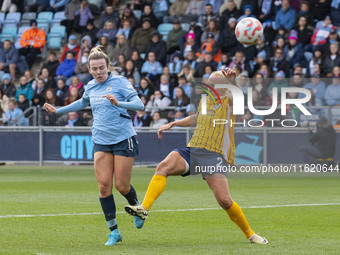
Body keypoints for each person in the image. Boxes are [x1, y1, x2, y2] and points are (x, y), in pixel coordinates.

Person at [125, 68, 268, 245]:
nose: (210, 85)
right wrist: (173, 123)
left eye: (215, 83)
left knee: (224, 200)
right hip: (193, 149)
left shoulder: (229, 102)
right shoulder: (206, 100)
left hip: (213, 154)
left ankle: (251, 234)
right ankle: (143, 208)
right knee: (163, 167)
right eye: (209, 82)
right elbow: (197, 118)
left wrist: (233, 81)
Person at [44, 45, 145, 246]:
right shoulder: (90, 86)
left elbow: (140, 105)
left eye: (102, 68)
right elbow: (82, 103)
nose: (99, 72)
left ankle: (137, 207)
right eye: (94, 69)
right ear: (89, 70)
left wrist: (119, 103)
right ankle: (114, 232)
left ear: (108, 67)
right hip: (101, 140)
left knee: (121, 186)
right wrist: (58, 110)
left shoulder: (121, 82)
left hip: (123, 139)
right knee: (103, 186)